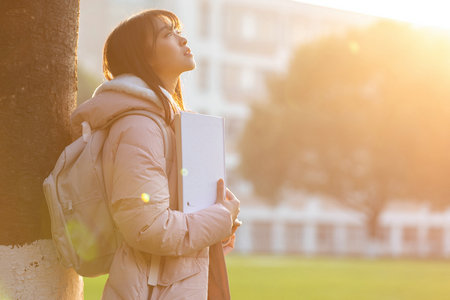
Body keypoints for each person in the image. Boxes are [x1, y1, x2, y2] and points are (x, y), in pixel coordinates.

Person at [70, 9, 241, 300]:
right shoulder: (139, 126)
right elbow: (147, 227)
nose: (183, 38)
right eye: (168, 34)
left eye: (178, 30)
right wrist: (220, 218)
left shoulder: (167, 123)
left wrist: (221, 221)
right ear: (143, 56)